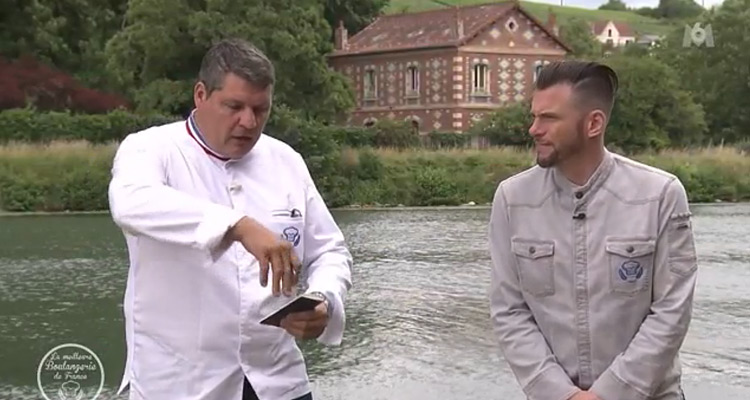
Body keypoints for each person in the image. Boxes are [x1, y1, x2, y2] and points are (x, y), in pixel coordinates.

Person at [108, 38, 353, 400]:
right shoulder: (151, 149)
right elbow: (129, 203)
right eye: (234, 106)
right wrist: (238, 226)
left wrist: (324, 300)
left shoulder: (286, 160)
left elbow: (330, 250)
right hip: (180, 386)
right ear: (201, 95)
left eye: (260, 109)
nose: (248, 122)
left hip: (279, 383)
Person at [488, 60, 698, 400]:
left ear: (593, 123)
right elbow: (508, 309)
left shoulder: (661, 195)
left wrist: (611, 393)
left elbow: (673, 310)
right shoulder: (512, 200)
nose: (533, 129)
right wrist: (562, 394)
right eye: (534, 116)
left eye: (549, 118)